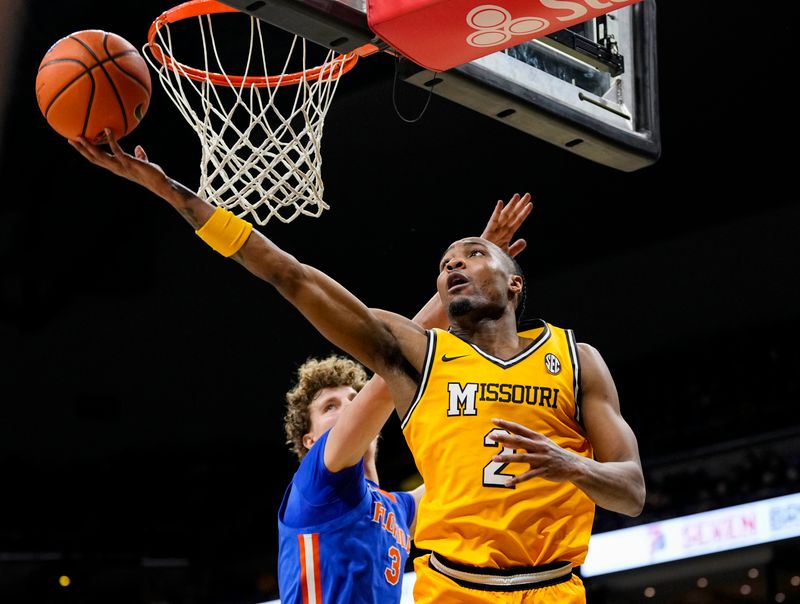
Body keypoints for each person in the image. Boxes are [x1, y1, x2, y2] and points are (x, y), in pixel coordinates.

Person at [70, 131, 645, 603]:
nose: (454, 265)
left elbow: (632, 490)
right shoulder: (414, 361)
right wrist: (175, 194)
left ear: (515, 281)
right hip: (457, 591)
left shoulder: (575, 360)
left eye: (472, 255)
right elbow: (290, 274)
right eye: (446, 264)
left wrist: (568, 464)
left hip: (556, 589)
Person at [274, 198, 531, 603]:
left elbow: (471, 475)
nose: (348, 408)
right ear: (309, 442)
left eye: (351, 398)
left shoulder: (398, 510)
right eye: (330, 407)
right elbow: (408, 347)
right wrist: (476, 261)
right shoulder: (317, 481)